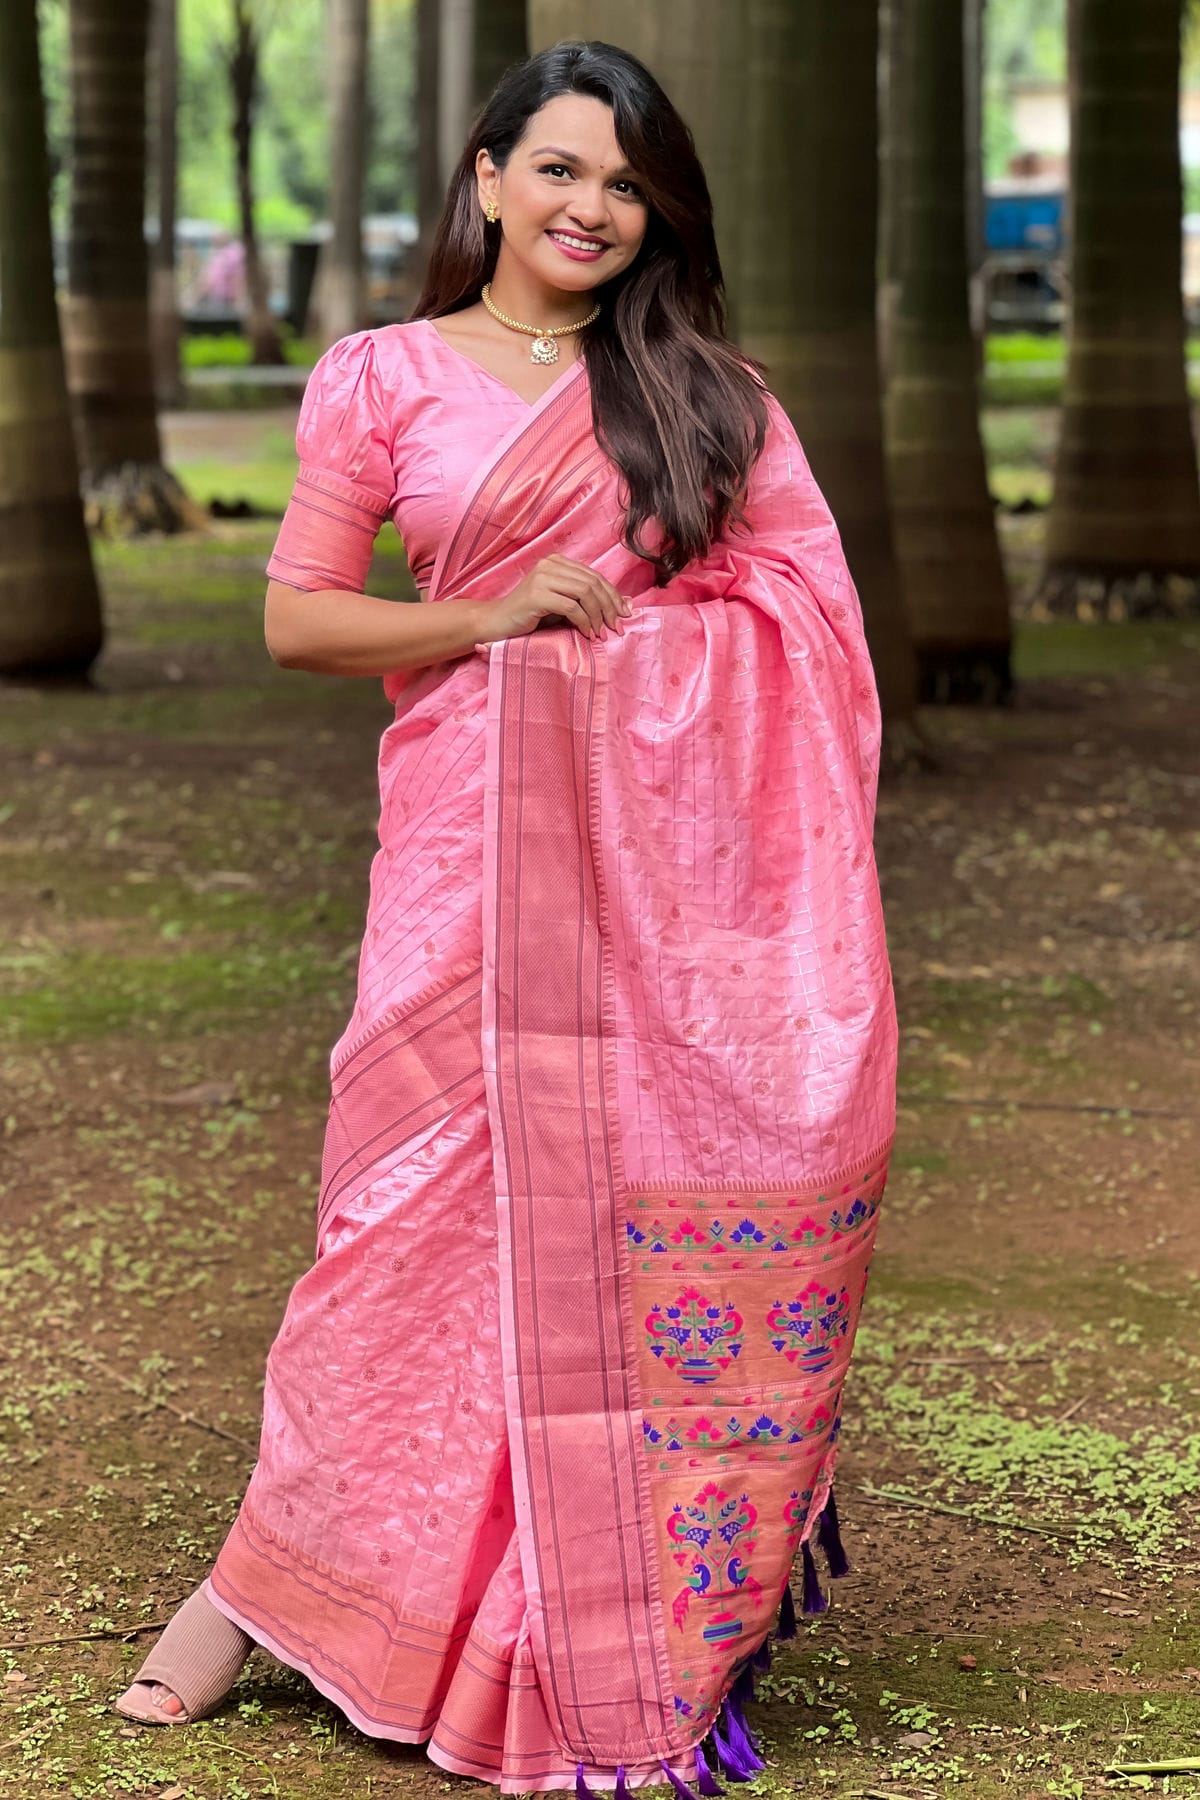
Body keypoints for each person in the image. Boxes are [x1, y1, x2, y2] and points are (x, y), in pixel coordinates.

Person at [114, 37, 898, 1797]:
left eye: (625, 185)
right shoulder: (381, 377)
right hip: (462, 850)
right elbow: (304, 624)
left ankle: (561, 1608)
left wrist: (621, 658)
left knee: (589, 1236)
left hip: (650, 901)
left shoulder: (713, 400)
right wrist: (496, 627)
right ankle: (265, 1580)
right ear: (485, 179)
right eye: (559, 170)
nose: (591, 209)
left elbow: (812, 635)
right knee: (391, 1224)